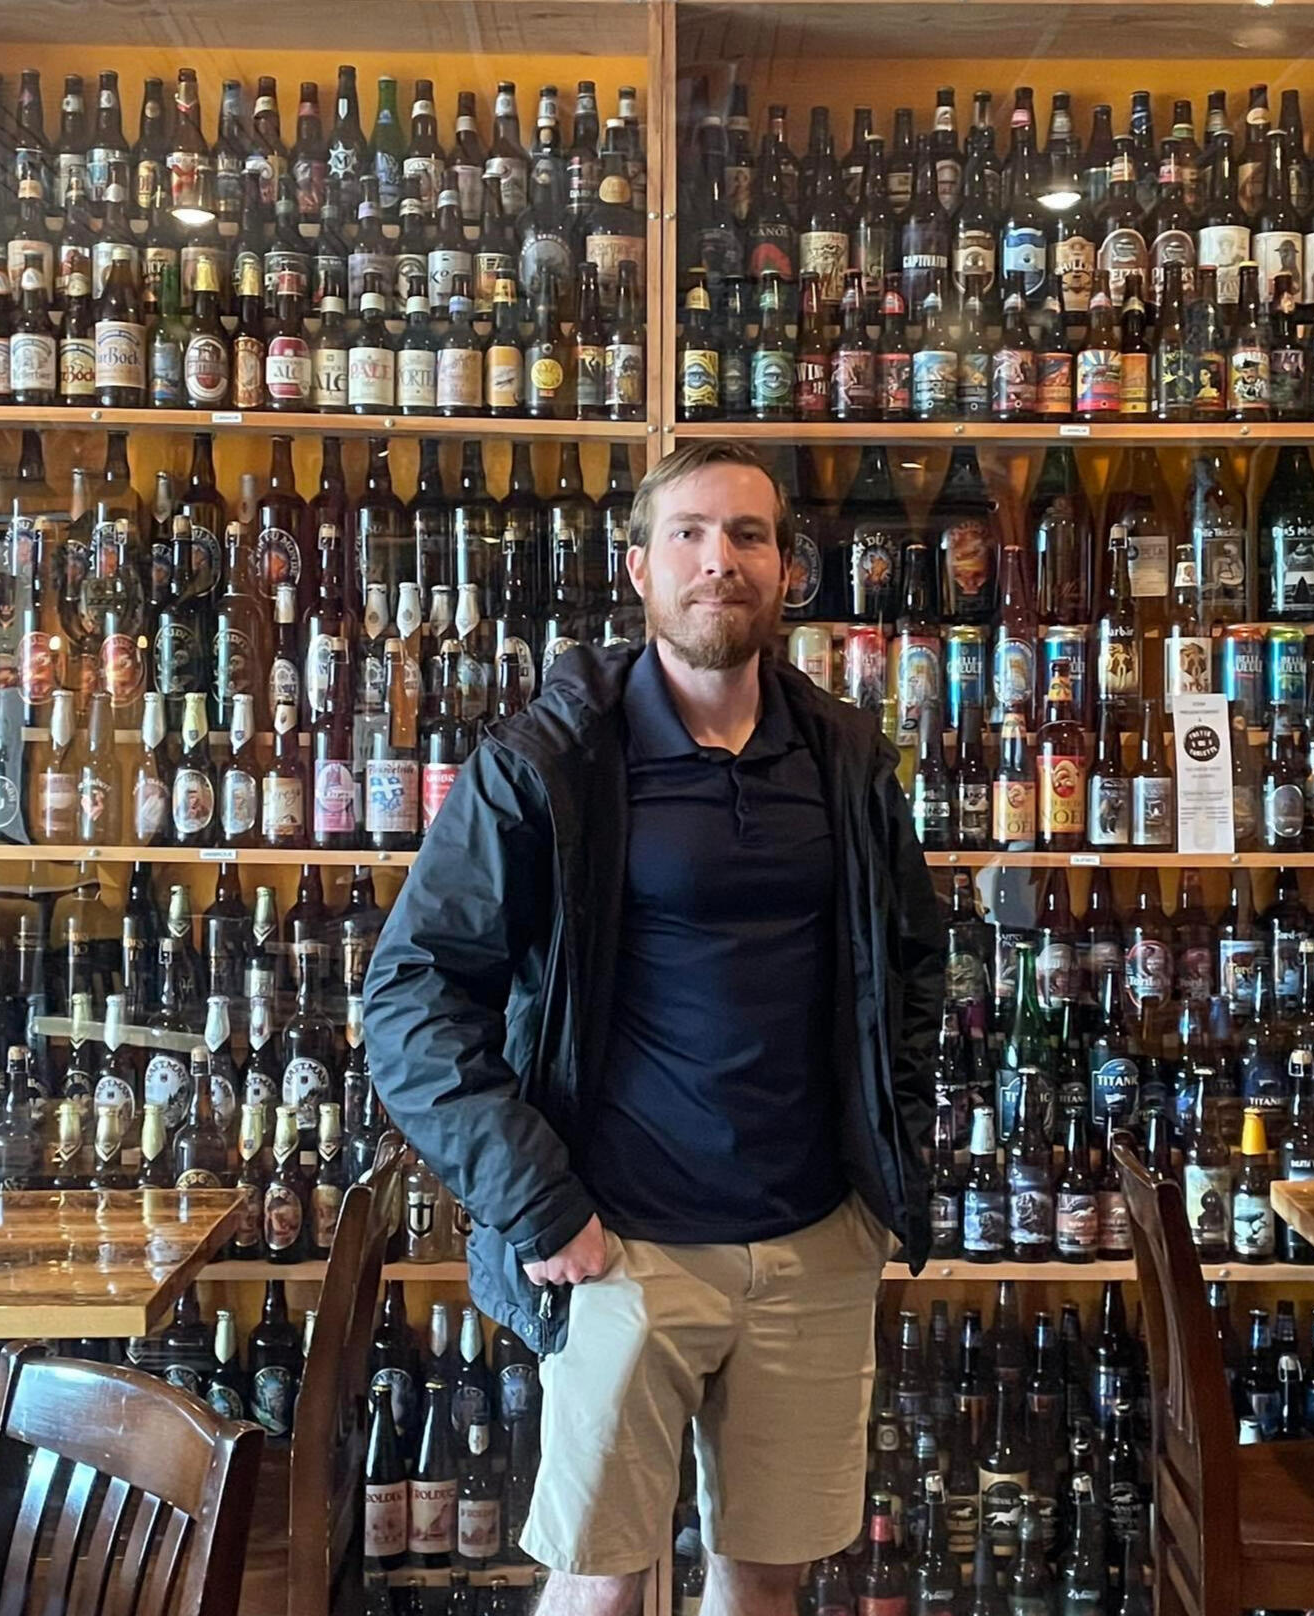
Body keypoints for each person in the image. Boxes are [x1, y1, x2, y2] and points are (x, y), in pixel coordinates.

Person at [363, 440, 942, 1616]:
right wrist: (534, 1200)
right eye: (688, 532)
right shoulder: (551, 760)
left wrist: (880, 1179)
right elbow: (410, 992)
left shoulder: (841, 756)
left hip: (813, 1242)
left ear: (784, 569)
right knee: (598, 1585)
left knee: (764, 1580)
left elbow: (912, 965)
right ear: (638, 566)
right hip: (621, 1244)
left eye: (747, 534)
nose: (717, 558)